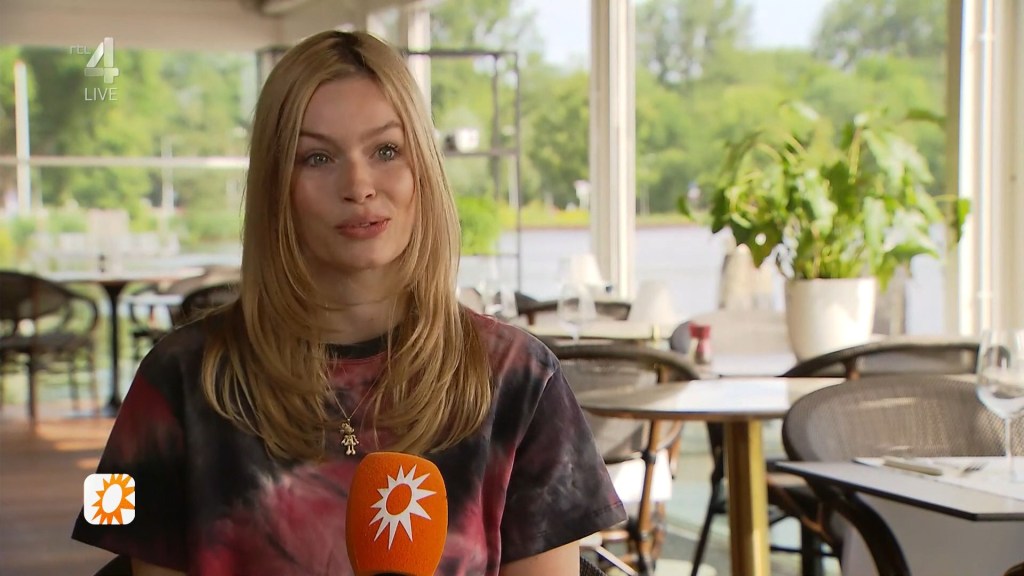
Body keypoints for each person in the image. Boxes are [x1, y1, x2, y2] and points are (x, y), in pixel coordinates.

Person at [72, 30, 625, 576]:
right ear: (275, 185)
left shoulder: (522, 379)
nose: (359, 186)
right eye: (317, 157)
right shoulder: (173, 376)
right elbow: (115, 544)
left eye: (386, 150)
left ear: (423, 169)